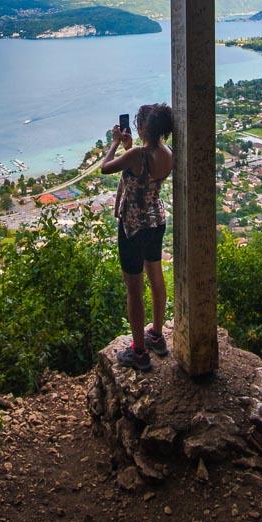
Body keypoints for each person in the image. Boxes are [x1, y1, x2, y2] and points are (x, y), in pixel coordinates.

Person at [101, 103, 173, 371]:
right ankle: (156, 334)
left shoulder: (136, 155)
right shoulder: (167, 152)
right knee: (156, 277)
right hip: (156, 222)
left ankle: (139, 351)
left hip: (132, 228)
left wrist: (115, 143)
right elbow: (141, 172)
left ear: (142, 127)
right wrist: (128, 147)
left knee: (134, 288)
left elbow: (106, 167)